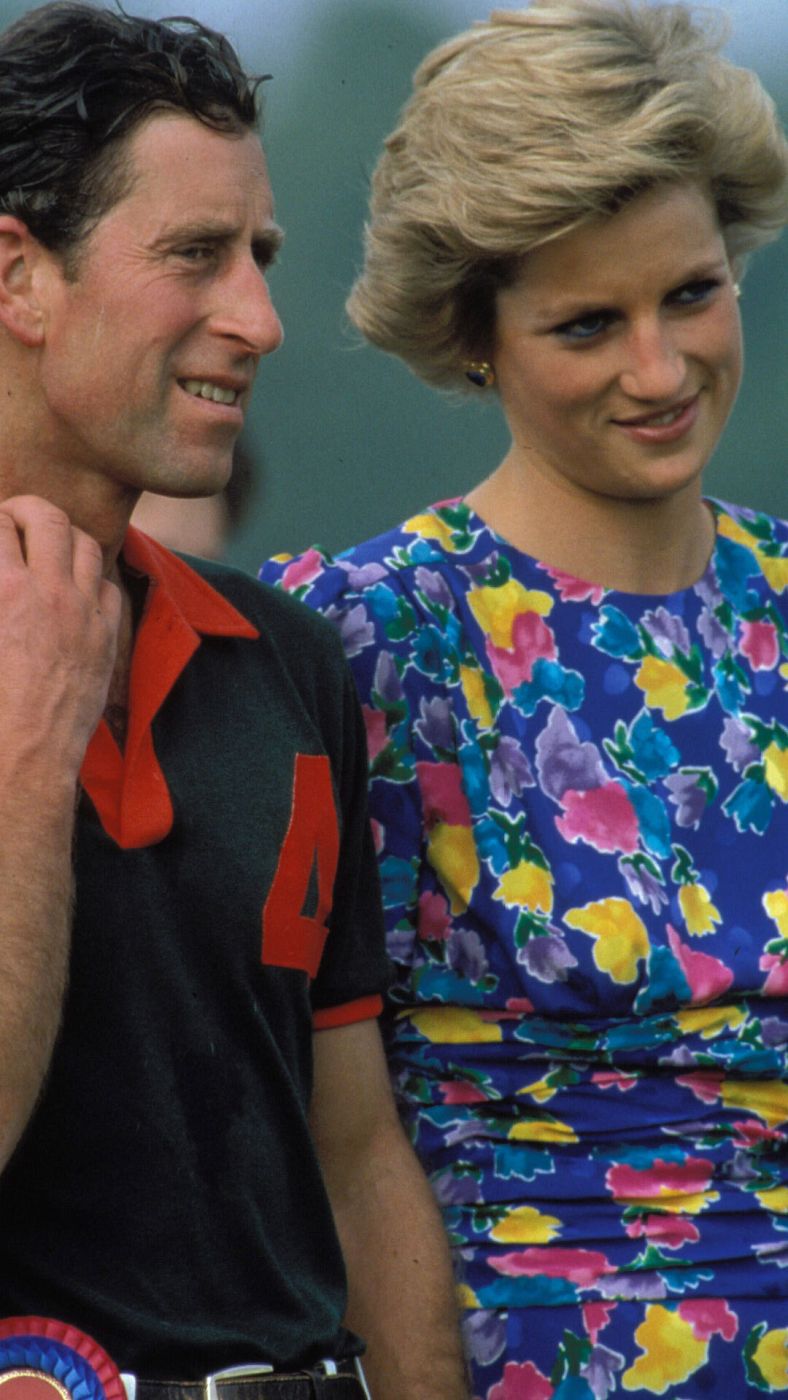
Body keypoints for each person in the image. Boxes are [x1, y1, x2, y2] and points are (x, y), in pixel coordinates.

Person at [261, 1, 788, 1394]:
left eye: (692, 294)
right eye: (587, 324)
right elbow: (334, 1137)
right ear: (474, 334)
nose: (660, 370)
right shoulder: (371, 640)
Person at [0, 6, 470, 1398]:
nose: (260, 320)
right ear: (19, 277)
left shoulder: (290, 665)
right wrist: (30, 755)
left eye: (258, 256)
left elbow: (354, 1151)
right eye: (195, 255)